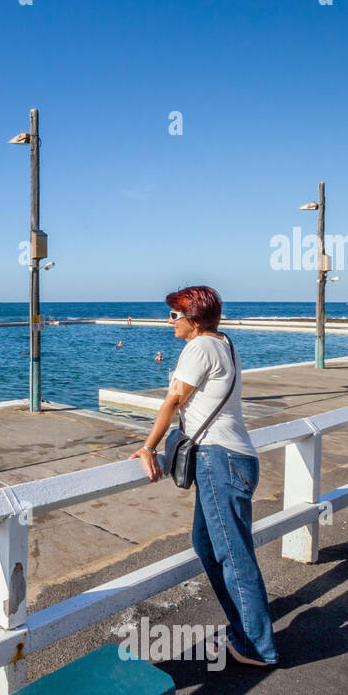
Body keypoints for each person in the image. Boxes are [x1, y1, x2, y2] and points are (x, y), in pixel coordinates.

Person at [129, 285, 278, 668]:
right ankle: (243, 628)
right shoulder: (225, 343)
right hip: (235, 458)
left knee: (233, 554)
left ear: (193, 319)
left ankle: (257, 646)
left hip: (219, 460)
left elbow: (173, 400)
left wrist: (148, 446)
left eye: (175, 315)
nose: (170, 321)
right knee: (207, 544)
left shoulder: (198, 348)